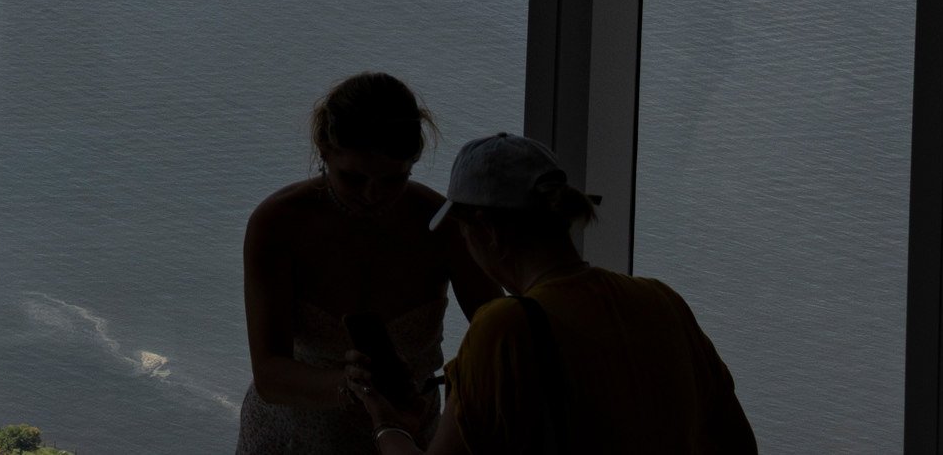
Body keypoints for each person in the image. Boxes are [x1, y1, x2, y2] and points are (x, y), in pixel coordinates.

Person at [350, 134, 754, 455]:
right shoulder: (663, 302)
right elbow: (735, 443)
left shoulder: (503, 329)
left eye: (462, 232)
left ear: (486, 230)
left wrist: (389, 425)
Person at [236, 74, 497, 454]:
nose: (373, 195)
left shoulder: (443, 227)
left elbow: (498, 330)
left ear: (414, 161)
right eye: (352, 177)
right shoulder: (278, 224)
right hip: (293, 438)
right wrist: (351, 385)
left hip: (410, 433)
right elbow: (270, 375)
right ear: (324, 151)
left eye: (394, 179)